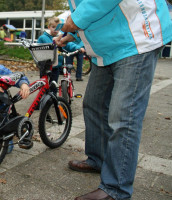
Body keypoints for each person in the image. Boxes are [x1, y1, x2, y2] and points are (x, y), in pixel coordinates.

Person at [55, 1, 172, 200]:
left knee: (124, 116)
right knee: (94, 103)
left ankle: (116, 189)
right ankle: (98, 159)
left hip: (136, 39)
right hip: (107, 48)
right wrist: (72, 34)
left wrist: (74, 21)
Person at [37, 17, 63, 95]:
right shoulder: (43, 38)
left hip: (56, 65)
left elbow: (68, 45)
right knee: (43, 82)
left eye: (58, 28)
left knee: (54, 83)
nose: (56, 29)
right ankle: (41, 98)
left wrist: (78, 48)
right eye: (53, 27)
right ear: (49, 27)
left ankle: (52, 99)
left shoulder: (60, 38)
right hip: (45, 65)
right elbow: (37, 49)